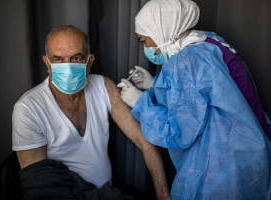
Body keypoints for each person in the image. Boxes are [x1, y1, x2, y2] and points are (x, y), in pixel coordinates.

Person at [119, 0, 271, 199]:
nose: (145, 47)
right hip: (251, 151)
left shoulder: (187, 61)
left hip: (227, 168)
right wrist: (154, 85)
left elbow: (179, 132)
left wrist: (141, 103)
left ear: (162, 31)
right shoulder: (208, 43)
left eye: (144, 40)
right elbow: (206, 96)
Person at [12, 25, 170, 200]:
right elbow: (40, 188)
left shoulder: (104, 87)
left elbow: (144, 140)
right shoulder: (28, 109)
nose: (68, 67)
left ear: (89, 62)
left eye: (76, 58)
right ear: (47, 63)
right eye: (58, 59)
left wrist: (163, 195)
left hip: (107, 194)